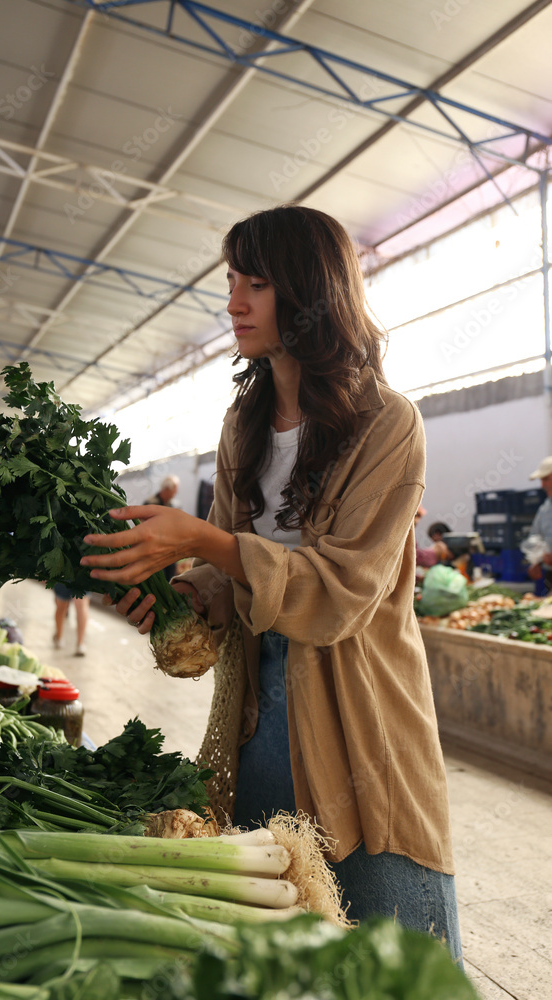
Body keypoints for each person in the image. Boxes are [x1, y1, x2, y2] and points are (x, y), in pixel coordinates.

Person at [79, 206, 463, 964]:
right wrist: (177, 594)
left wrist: (205, 541)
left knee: (382, 946)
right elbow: (226, 579)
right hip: (256, 718)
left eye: (256, 283)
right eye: (230, 281)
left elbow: (340, 592)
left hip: (360, 721)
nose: (234, 302)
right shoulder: (241, 425)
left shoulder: (386, 424)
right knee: (274, 932)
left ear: (310, 293)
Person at [144, 475, 181, 580]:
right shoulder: (151, 503)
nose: (176, 492)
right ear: (167, 489)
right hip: (155, 548)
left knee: (170, 574)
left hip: (170, 547)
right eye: (175, 489)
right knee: (159, 576)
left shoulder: (172, 504)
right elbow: (145, 526)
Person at [525, 456, 552, 591]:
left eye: (546, 479)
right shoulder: (545, 509)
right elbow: (536, 537)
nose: (542, 485)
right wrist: (536, 561)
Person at [52, 583, 90, 656]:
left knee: (61, 605)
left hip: (64, 574)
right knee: (82, 605)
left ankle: (59, 638)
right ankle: (80, 644)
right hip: (84, 574)